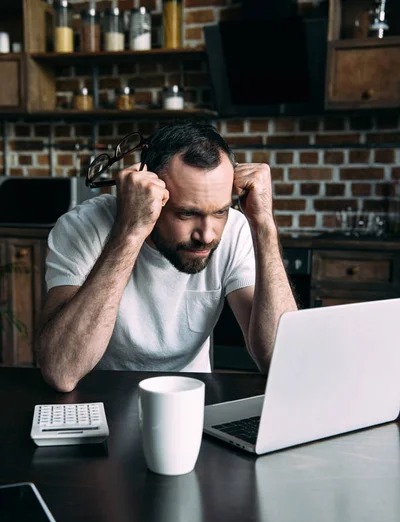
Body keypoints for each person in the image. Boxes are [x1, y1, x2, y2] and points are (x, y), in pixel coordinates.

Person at [36, 120, 297, 392]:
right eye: (187, 213)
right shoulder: (82, 227)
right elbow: (61, 372)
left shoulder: (235, 229)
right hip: (98, 399)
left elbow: (281, 361)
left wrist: (264, 224)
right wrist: (130, 232)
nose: (207, 235)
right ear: (151, 195)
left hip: (189, 401)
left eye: (220, 211)